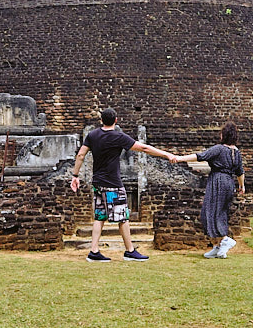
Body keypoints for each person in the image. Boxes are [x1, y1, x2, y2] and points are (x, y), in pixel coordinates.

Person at [70, 107, 175, 262]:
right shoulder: (118, 137)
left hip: (98, 182)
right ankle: (130, 250)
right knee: (123, 217)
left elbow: (80, 154)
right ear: (116, 120)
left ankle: (94, 251)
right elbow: (144, 148)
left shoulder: (93, 135)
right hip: (112, 183)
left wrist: (75, 175)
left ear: (101, 121)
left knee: (100, 216)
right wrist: (166, 154)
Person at [172, 121, 245, 258]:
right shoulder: (236, 152)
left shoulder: (219, 149)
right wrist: (242, 186)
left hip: (218, 181)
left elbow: (200, 156)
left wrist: (180, 158)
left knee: (210, 212)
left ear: (224, 135)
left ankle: (224, 240)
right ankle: (217, 247)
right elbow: (240, 172)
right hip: (229, 183)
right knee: (220, 212)